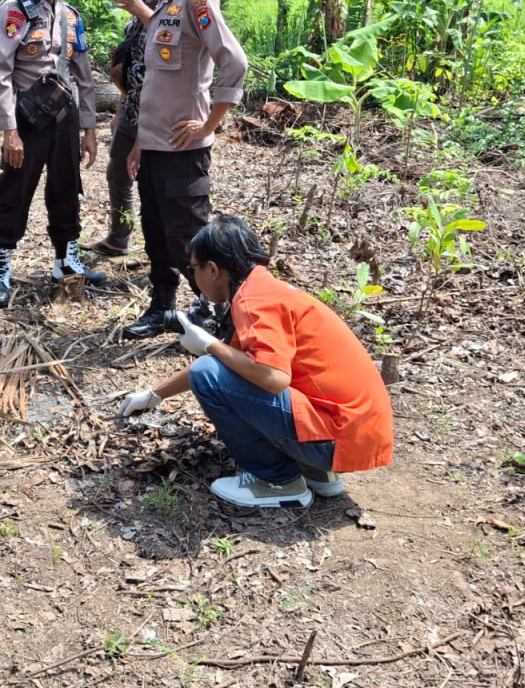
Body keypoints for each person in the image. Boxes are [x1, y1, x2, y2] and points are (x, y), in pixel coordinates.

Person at [117, 216, 394, 508]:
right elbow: (231, 362)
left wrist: (209, 344)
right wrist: (155, 394)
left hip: (336, 436)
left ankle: (278, 481)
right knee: (212, 368)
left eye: (193, 269)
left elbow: (272, 378)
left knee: (206, 371)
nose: (193, 276)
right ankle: (316, 472)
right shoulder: (262, 288)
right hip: (354, 433)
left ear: (212, 269)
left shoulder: (254, 301)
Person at [122, 0, 248, 340]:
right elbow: (157, 84)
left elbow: (235, 62)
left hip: (183, 150)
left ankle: (218, 316)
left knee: (189, 238)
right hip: (154, 145)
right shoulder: (164, 2)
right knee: (156, 233)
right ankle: (162, 307)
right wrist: (139, 143)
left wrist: (208, 123)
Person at [0, 0, 106, 308]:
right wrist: (9, 130)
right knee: (16, 189)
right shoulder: (15, 9)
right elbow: (1, 71)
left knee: (67, 188)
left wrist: (89, 130)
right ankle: (1, 268)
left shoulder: (71, 17)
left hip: (65, 117)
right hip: (27, 119)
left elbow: (84, 77)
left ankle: (66, 260)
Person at [83, 0, 158, 257]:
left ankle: (159, 249)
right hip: (131, 109)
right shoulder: (132, 22)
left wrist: (142, 11)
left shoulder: (165, 8)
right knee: (117, 173)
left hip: (157, 116)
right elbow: (132, 70)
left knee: (151, 182)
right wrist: (120, 108)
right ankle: (119, 237)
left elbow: (172, 56)